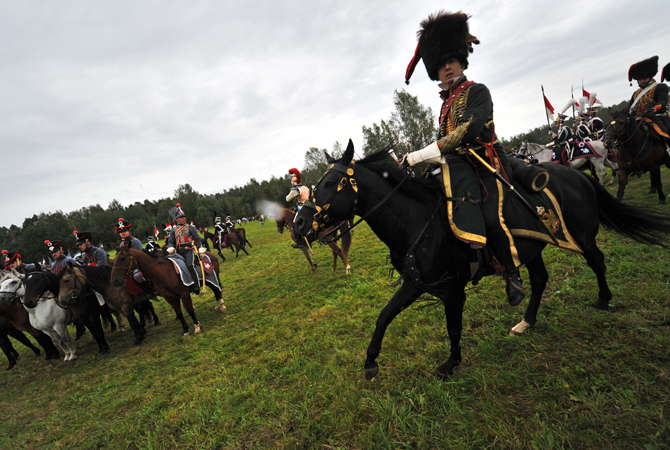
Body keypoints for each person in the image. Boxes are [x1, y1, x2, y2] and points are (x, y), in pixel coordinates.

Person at [402, 10, 524, 305]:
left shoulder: (478, 91)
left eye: (452, 61)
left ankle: (512, 273)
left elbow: (467, 132)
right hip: (458, 167)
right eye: (442, 64)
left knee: (490, 217)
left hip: (487, 164)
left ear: (462, 62)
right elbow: (447, 145)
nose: (447, 68)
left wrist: (420, 154)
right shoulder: (445, 106)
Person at [627, 56, 670, 151]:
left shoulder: (661, 87)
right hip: (638, 118)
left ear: (651, 76)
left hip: (658, 116)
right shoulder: (636, 93)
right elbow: (630, 108)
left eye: (644, 78)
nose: (642, 81)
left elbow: (663, 102)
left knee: (667, 131)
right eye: (639, 79)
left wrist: (655, 108)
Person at [166, 203, 206, 294]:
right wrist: (171, 247)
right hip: (178, 251)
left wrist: (201, 250)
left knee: (189, 265)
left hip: (189, 250)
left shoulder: (191, 228)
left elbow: (198, 240)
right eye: (181, 217)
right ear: (176, 220)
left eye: (184, 216)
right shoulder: (173, 230)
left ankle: (196, 285)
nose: (183, 218)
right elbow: (171, 241)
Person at [115, 218, 154, 300]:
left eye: (125, 231)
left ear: (129, 231)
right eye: (121, 232)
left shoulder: (135, 241)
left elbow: (139, 257)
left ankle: (149, 291)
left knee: (137, 276)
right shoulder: (122, 243)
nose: (123, 233)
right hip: (128, 266)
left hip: (138, 265)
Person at [285, 168, 310, 249]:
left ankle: (299, 242)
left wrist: (291, 192)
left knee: (294, 224)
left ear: (293, 182)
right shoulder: (306, 187)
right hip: (309, 206)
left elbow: (287, 199)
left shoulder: (295, 189)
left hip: (301, 208)